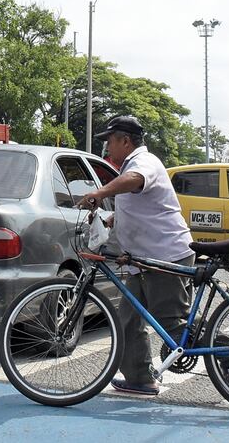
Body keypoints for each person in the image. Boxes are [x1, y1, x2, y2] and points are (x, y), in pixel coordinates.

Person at [78, 115, 195, 397]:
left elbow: (135, 181)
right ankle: (140, 379)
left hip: (165, 257)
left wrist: (100, 192)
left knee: (170, 323)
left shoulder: (143, 163)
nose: (107, 149)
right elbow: (142, 206)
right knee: (127, 320)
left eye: (110, 142)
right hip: (142, 261)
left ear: (125, 141)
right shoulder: (131, 165)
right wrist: (112, 220)